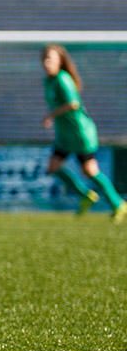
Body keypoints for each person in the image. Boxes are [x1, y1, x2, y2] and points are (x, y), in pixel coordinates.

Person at [40, 44, 127, 222]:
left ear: (60, 61)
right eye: (45, 59)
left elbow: (73, 104)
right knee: (53, 168)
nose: (47, 62)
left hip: (80, 134)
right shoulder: (48, 81)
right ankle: (86, 195)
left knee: (90, 171)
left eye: (51, 59)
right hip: (64, 136)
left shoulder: (63, 79)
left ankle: (118, 203)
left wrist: (51, 115)